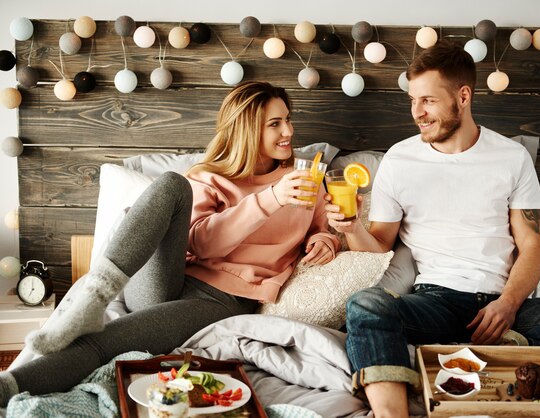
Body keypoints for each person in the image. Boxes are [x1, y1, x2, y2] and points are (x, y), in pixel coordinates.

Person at [325, 40, 540, 418]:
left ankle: (511, 339)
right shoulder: (399, 160)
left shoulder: (511, 157)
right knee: (365, 304)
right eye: (413, 101)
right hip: (435, 303)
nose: (417, 112)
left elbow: (531, 246)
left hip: (507, 307)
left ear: (463, 96)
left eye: (428, 101)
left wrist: (508, 305)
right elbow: (380, 244)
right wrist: (351, 228)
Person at [0, 81, 339, 407]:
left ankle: (7, 387)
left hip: (221, 300)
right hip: (166, 280)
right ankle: (94, 295)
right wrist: (270, 199)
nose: (288, 132)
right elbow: (202, 244)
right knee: (172, 184)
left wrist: (325, 240)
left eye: (288, 120)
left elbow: (324, 228)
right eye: (275, 124)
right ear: (247, 129)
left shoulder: (306, 177)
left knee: (104, 343)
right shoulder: (211, 177)